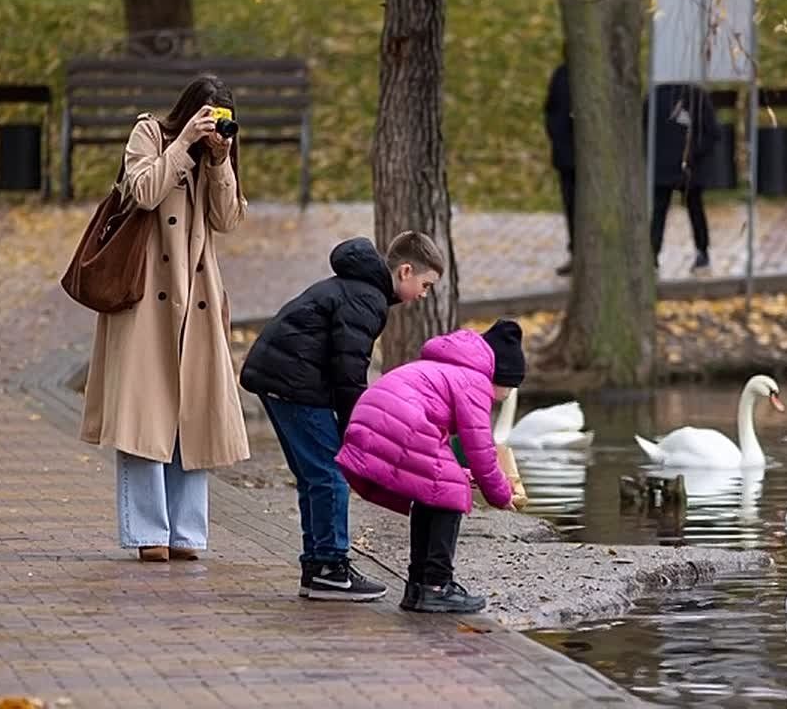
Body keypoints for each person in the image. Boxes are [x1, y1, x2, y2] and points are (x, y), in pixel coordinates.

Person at [80, 75, 250, 563]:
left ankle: (187, 533)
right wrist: (184, 143)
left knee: (194, 416)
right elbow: (144, 192)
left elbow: (226, 219)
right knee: (144, 414)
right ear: (189, 110)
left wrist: (219, 160)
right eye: (207, 115)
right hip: (145, 299)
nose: (213, 125)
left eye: (221, 119)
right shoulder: (150, 134)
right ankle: (147, 532)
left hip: (196, 299)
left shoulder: (216, 156)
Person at [240, 233, 444, 601]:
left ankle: (318, 564)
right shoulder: (367, 298)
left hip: (278, 378)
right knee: (330, 473)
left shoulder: (359, 289)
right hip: (294, 383)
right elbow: (349, 371)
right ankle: (330, 567)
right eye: (425, 285)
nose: (424, 294)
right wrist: (357, 429)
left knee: (314, 475)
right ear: (406, 271)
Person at [335, 319, 526, 614]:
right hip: (395, 422)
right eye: (510, 387)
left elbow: (440, 451)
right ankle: (437, 585)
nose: (508, 395)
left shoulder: (450, 369)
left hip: (375, 418)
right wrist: (502, 495)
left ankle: (418, 586)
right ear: (500, 376)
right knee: (449, 491)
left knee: (434, 489)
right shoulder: (474, 381)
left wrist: (464, 475)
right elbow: (481, 450)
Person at [646, 83, 721, 273]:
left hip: (681, 167)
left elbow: (711, 132)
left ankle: (655, 255)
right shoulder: (689, 94)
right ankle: (655, 254)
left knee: (676, 210)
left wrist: (691, 154)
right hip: (679, 166)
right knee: (667, 211)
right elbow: (712, 132)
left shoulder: (689, 95)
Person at [543, 45, 575, 277]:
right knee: (571, 206)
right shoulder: (562, 76)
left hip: (588, 159)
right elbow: (551, 111)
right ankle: (576, 252)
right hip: (567, 155)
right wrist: (559, 135)